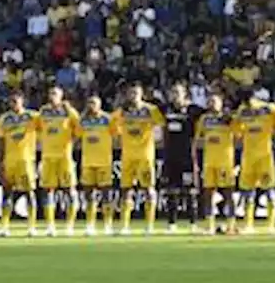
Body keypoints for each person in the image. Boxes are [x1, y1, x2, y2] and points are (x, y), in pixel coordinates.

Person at [114, 84, 165, 236]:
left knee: (148, 189)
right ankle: (124, 226)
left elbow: (161, 126)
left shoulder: (151, 110)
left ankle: (149, 226)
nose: (133, 95)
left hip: (145, 155)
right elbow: (113, 126)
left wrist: (156, 140)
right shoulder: (123, 111)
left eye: (136, 93)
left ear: (142, 95)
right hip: (128, 155)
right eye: (131, 93)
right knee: (126, 190)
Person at [234, 90, 275, 235]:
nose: (247, 104)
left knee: (269, 190)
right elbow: (237, 130)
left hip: (265, 155)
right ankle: (248, 225)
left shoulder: (269, 109)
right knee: (248, 191)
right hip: (248, 156)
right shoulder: (242, 110)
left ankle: (271, 225)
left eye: (248, 100)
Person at [0, 91, 38, 238]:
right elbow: (0, 141)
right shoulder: (4, 119)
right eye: (11, 101)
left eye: (16, 101)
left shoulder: (32, 116)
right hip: (9, 160)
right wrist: (0, 162)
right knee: (7, 192)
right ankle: (4, 227)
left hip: (26, 160)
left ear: (22, 101)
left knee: (29, 192)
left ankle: (32, 227)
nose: (13, 103)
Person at [37, 86, 79, 237]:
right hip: (48, 156)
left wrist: (69, 143)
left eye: (55, 93)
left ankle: (69, 226)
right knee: (48, 190)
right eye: (50, 93)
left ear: (61, 96)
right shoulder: (43, 111)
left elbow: (78, 130)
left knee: (69, 190)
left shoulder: (69, 112)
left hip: (64, 157)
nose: (52, 96)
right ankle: (50, 226)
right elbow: (37, 129)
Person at [161, 83, 201, 233]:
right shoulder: (165, 109)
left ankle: (193, 224)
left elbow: (209, 114)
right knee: (172, 191)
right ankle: (171, 224)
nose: (175, 95)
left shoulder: (193, 110)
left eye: (178, 92)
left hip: (187, 156)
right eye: (173, 92)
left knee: (190, 191)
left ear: (185, 94)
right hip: (171, 155)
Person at [196, 94, 236, 235]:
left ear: (221, 103)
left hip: (225, 161)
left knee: (228, 193)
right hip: (209, 161)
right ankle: (210, 226)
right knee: (208, 193)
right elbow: (198, 139)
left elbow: (238, 135)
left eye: (215, 101)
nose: (212, 104)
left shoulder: (228, 119)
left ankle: (231, 225)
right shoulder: (204, 119)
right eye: (209, 101)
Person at [77, 95, 117, 236]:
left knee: (106, 193)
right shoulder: (83, 120)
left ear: (100, 105)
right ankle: (90, 225)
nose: (91, 106)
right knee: (89, 194)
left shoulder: (108, 119)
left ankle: (108, 225)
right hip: (87, 160)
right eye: (89, 103)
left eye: (94, 103)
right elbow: (77, 135)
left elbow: (116, 135)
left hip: (104, 161)